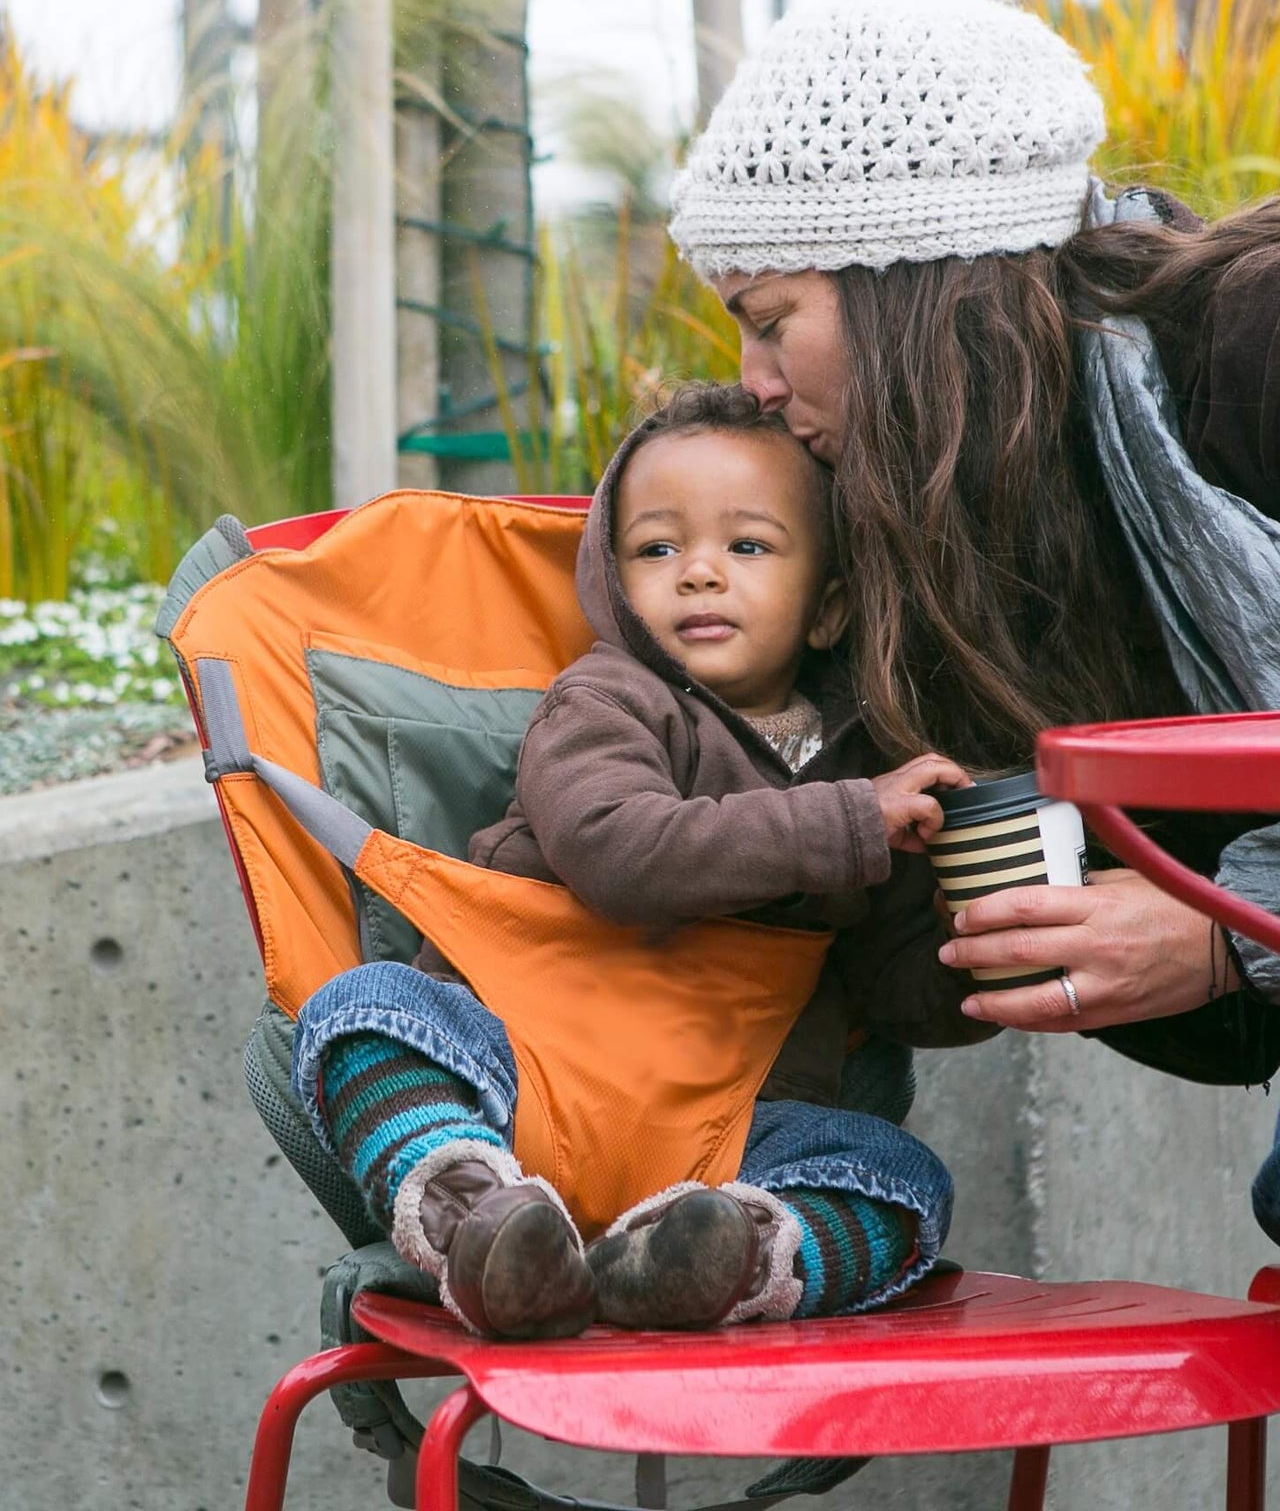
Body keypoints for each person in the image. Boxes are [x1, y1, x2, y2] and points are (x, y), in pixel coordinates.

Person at [664, 0, 1280, 1508]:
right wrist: (906, 900)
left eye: (774, 318)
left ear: (916, 284)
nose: (760, 384)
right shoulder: (1029, 554)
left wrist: (1237, 933)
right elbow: (1221, 1030)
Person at [291, 381, 989, 1340]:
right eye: (657, 549)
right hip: (522, 1074)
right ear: (614, 585)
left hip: (732, 1131)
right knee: (361, 1014)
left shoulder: (866, 769)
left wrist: (985, 958)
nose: (698, 573)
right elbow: (618, 853)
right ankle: (473, 1209)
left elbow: (886, 985)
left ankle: (729, 1258)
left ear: (829, 609)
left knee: (899, 1177)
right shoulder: (605, 702)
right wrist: (848, 824)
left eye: (747, 546)